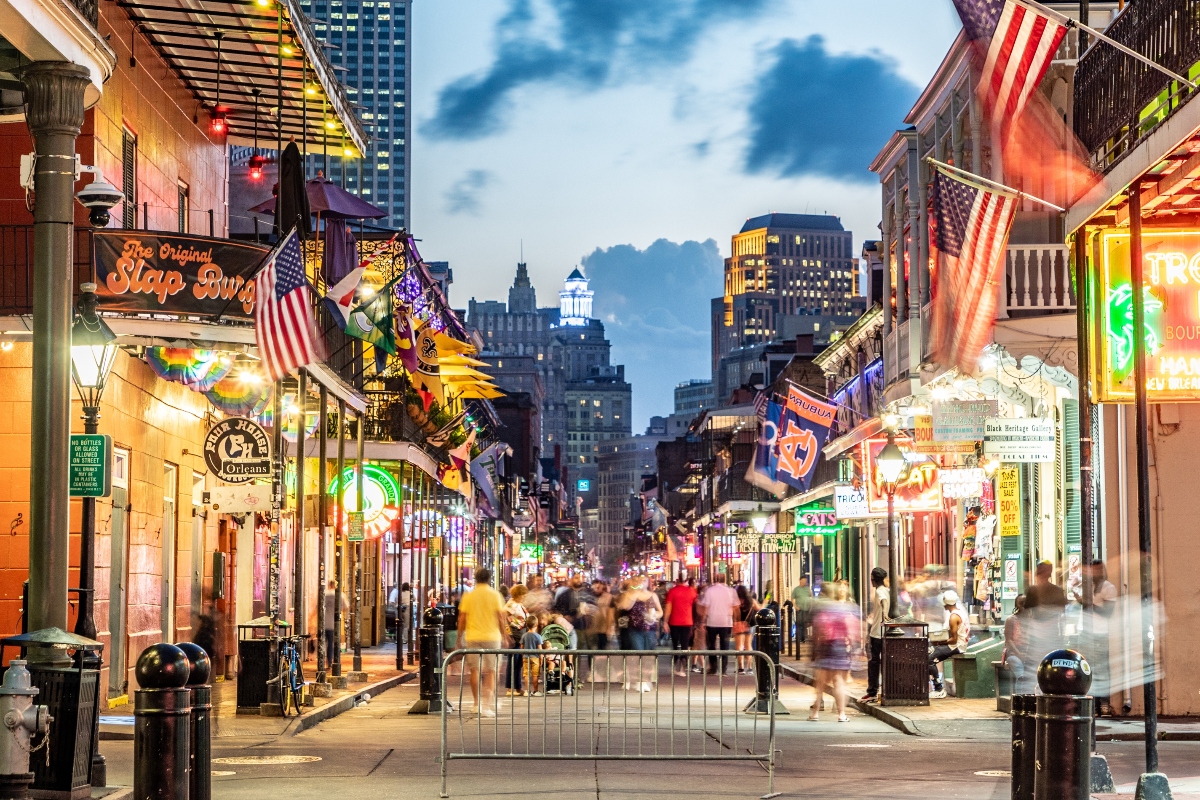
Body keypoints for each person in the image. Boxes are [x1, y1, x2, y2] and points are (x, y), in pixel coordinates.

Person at [456, 567, 509, 717]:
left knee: (475, 670)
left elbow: (462, 618)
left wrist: (459, 638)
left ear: (476, 578)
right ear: (489, 578)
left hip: (472, 637)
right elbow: (500, 617)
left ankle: (475, 704)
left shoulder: (469, 596)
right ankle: (486, 705)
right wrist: (505, 636)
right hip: (492, 637)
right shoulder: (495, 595)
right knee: (492, 671)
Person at [810, 582, 857, 722]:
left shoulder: (822, 609)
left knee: (820, 682)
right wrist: (852, 646)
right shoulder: (842, 609)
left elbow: (817, 629)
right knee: (838, 681)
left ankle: (815, 713)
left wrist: (814, 649)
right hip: (840, 645)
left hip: (825, 645)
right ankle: (841, 714)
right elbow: (850, 628)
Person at [1077, 561, 1118, 715]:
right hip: (1085, 633)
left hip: (1100, 633)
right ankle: (1092, 703)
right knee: (1087, 669)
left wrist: (1087, 603)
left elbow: (1107, 612)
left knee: (1101, 670)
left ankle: (1103, 704)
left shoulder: (1108, 587)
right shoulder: (1088, 587)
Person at [928, 589, 970, 699]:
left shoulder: (953, 617)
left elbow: (953, 640)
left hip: (956, 646)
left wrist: (939, 642)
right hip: (959, 645)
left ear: (946, 604)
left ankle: (939, 689)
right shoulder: (960, 612)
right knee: (929, 651)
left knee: (929, 659)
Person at [859, 568, 890, 704]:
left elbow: (883, 601)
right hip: (882, 631)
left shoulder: (879, 591)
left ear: (873, 578)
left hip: (877, 632)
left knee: (873, 662)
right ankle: (881, 689)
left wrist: (884, 615)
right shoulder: (887, 590)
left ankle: (872, 691)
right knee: (880, 661)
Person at [699, 574, 739, 675]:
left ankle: (713, 667)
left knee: (711, 645)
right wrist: (735, 621)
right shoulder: (731, 591)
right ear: (725, 579)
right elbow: (736, 607)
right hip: (726, 622)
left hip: (711, 621)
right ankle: (723, 669)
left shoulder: (709, 590)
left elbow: (706, 607)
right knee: (725, 646)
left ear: (714, 579)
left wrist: (703, 621)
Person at [664, 578, 698, 676]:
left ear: (678, 580)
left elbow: (668, 607)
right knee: (685, 645)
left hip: (674, 622)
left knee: (675, 644)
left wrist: (665, 621)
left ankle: (676, 664)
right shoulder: (692, 591)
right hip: (688, 621)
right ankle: (683, 667)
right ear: (687, 581)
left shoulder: (672, 591)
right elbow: (696, 606)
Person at [504, 585, 530, 696]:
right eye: (523, 595)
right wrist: (507, 634)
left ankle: (517, 687)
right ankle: (510, 688)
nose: (525, 597)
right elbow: (504, 617)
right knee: (514, 661)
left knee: (518, 661)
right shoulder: (511, 604)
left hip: (520, 633)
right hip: (515, 634)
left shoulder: (518, 604)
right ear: (518, 595)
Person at [1003, 594, 1030, 689]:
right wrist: (1019, 655)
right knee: (1022, 675)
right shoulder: (1011, 620)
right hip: (1014, 653)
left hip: (1029, 654)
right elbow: (1009, 640)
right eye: (1020, 603)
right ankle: (1020, 699)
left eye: (1025, 603)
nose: (1023, 606)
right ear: (1016, 605)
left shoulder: (1032, 620)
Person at [733, 585, 760, 674]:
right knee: (748, 646)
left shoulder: (736, 602)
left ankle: (741, 668)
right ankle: (750, 668)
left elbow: (736, 615)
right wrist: (766, 601)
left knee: (739, 647)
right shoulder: (751, 601)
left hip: (739, 624)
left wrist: (735, 622)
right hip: (750, 624)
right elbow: (759, 609)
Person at [323, 580, 348, 666]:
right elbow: (346, 607)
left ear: (329, 585)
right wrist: (339, 611)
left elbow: (318, 608)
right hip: (334, 623)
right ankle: (330, 661)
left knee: (323, 642)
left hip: (324, 622)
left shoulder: (325, 594)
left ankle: (323, 660)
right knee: (332, 643)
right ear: (336, 585)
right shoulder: (340, 595)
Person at [520, 615, 546, 696]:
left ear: (527, 625)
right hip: (535, 658)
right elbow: (540, 649)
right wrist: (541, 658)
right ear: (536, 624)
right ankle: (535, 690)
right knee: (535, 675)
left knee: (526, 674)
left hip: (525, 657)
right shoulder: (538, 636)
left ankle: (527, 691)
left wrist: (523, 656)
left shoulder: (524, 635)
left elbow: (521, 647)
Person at [791, 577, 815, 644]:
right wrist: (795, 606)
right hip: (799, 609)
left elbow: (811, 596)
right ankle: (799, 638)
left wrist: (811, 604)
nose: (804, 582)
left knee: (804, 624)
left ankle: (803, 638)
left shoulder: (807, 589)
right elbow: (792, 598)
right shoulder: (796, 589)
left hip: (806, 608)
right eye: (803, 581)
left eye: (805, 581)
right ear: (800, 581)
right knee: (799, 623)